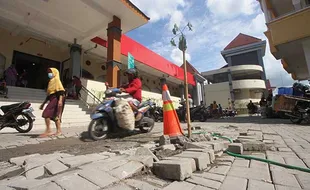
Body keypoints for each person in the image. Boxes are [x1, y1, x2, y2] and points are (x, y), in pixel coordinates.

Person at [39, 68, 65, 137]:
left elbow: (61, 92)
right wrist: (43, 103)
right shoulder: (51, 82)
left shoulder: (56, 80)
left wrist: (60, 100)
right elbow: (49, 95)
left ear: (55, 73)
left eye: (50, 72)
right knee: (55, 116)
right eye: (48, 72)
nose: (49, 74)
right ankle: (59, 131)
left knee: (46, 113)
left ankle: (48, 130)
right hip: (52, 99)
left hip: (56, 99)